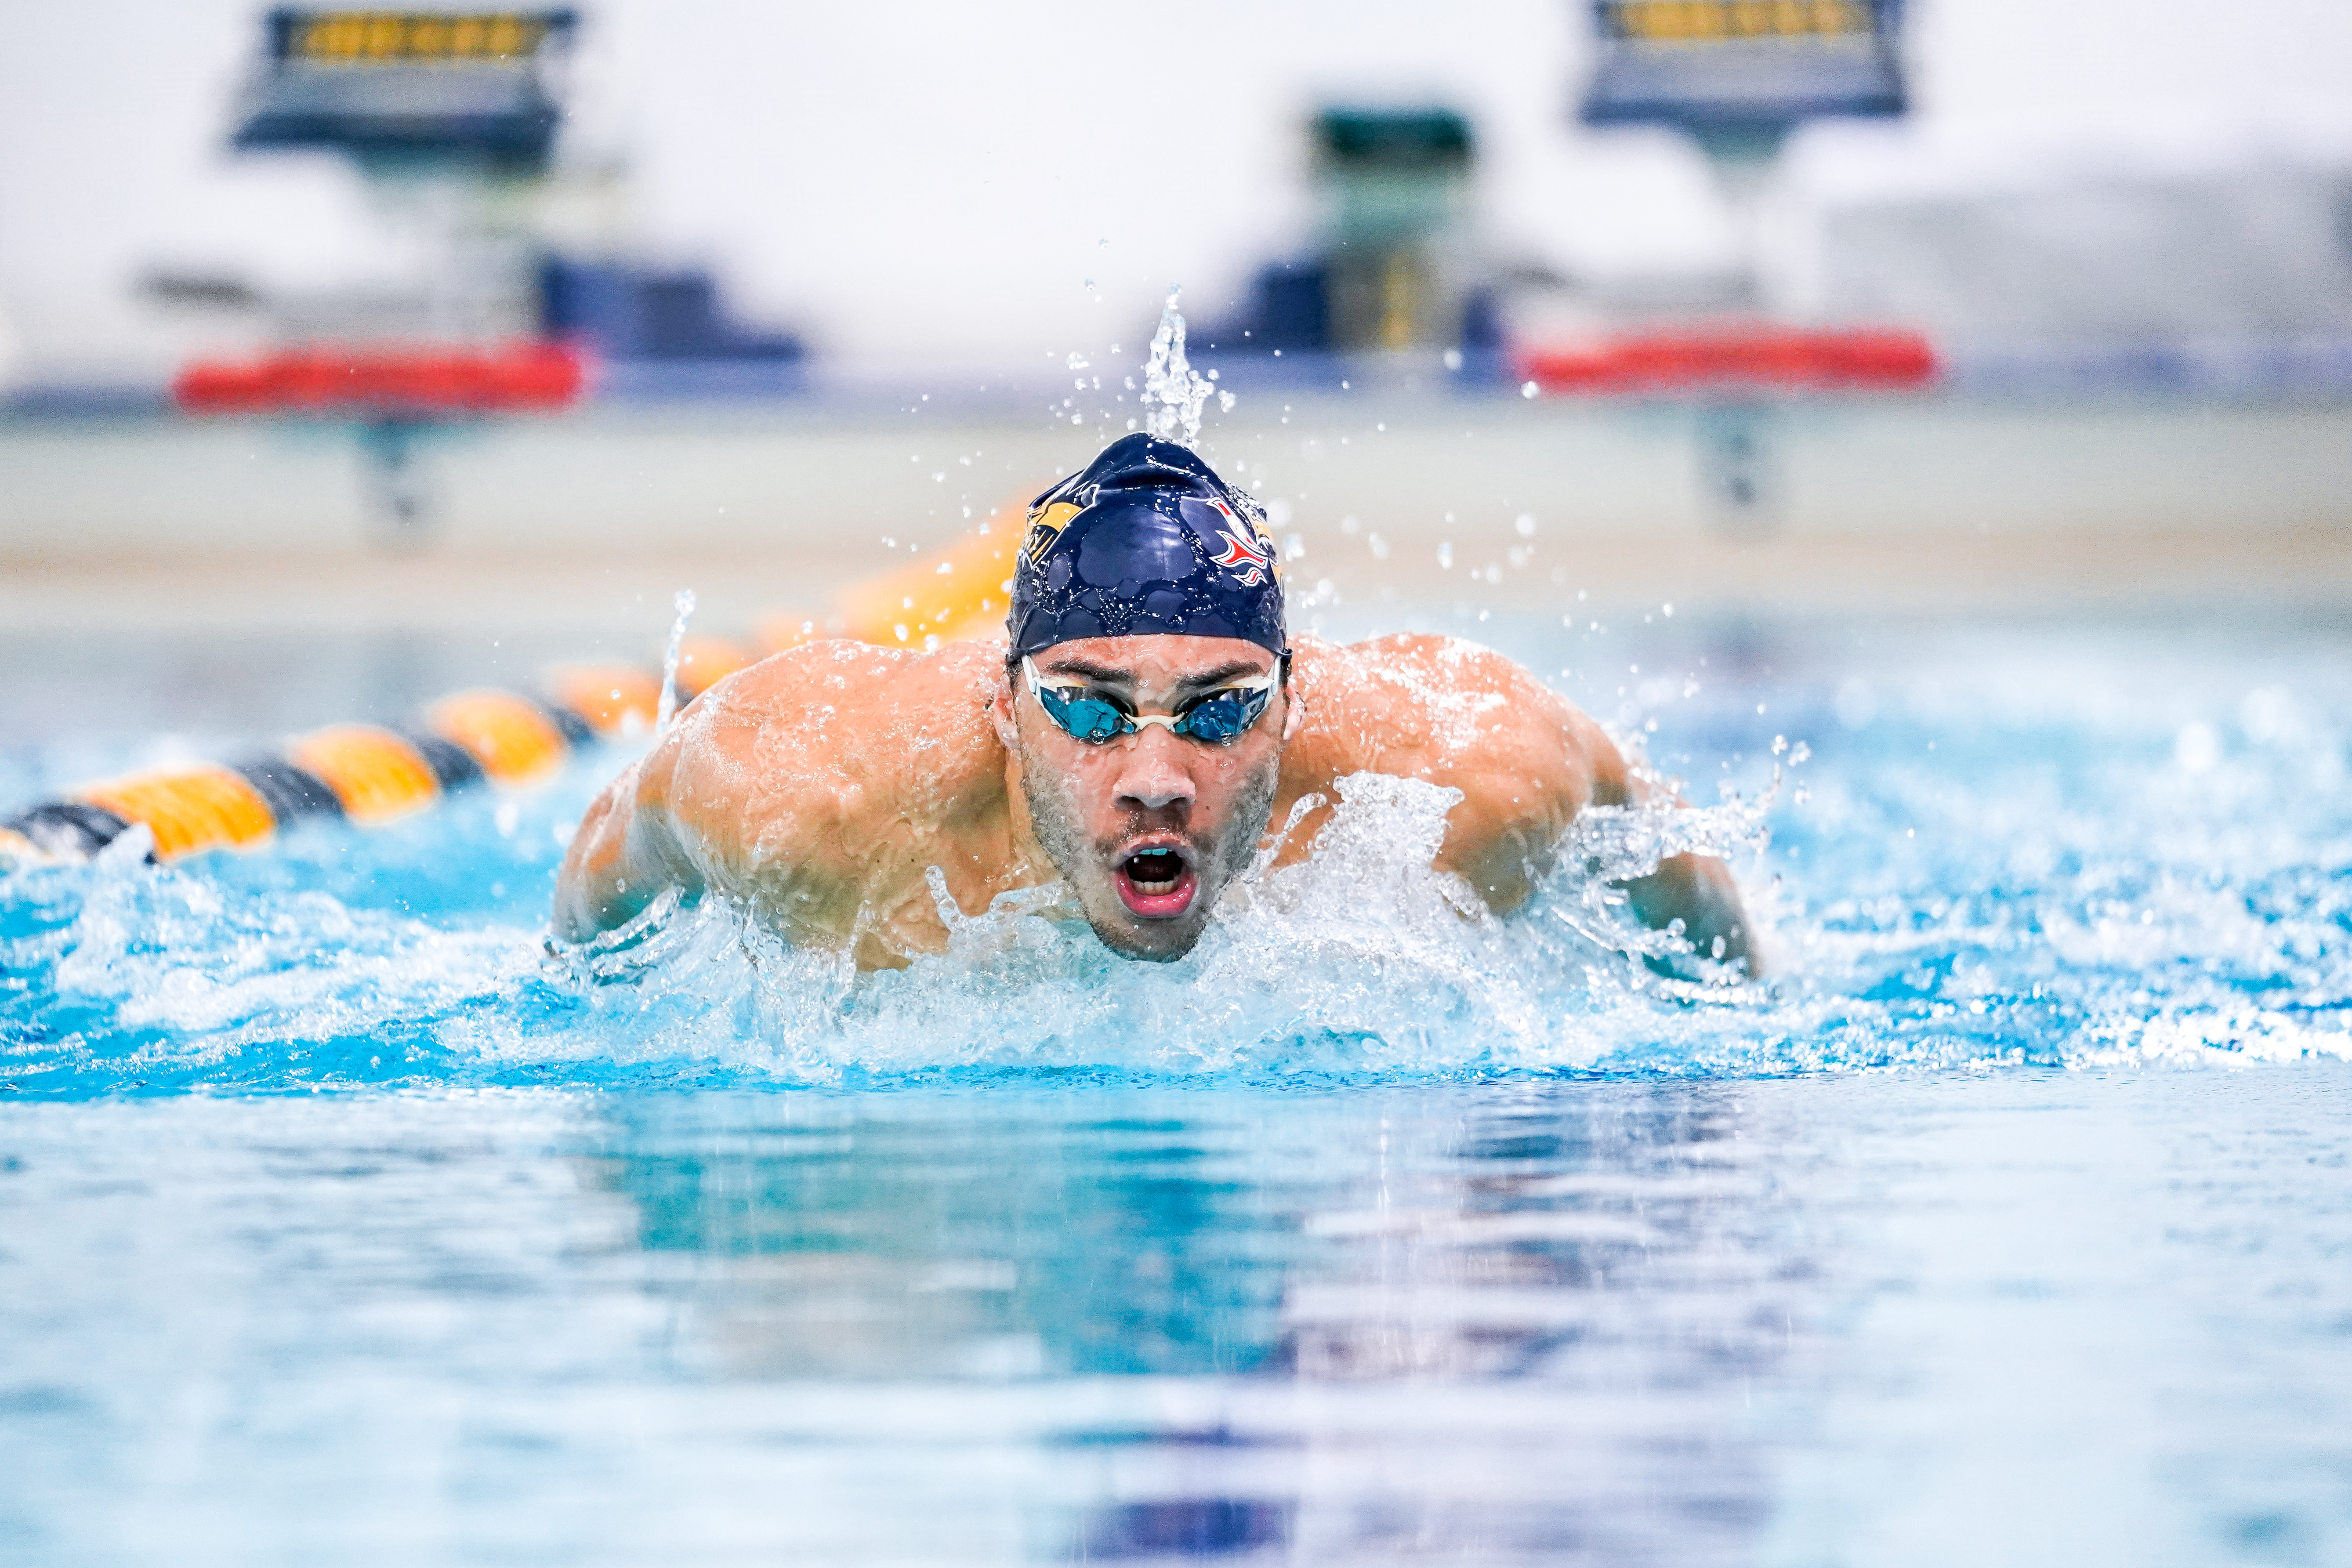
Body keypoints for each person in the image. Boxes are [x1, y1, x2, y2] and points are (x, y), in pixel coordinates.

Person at [554, 434, 1753, 974]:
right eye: (1087, 710)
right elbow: (616, 845)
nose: (1155, 774)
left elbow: (1657, 844)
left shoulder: (1461, 774)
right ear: (1000, 700)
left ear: (1294, 698)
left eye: (1220, 708)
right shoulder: (811, 797)